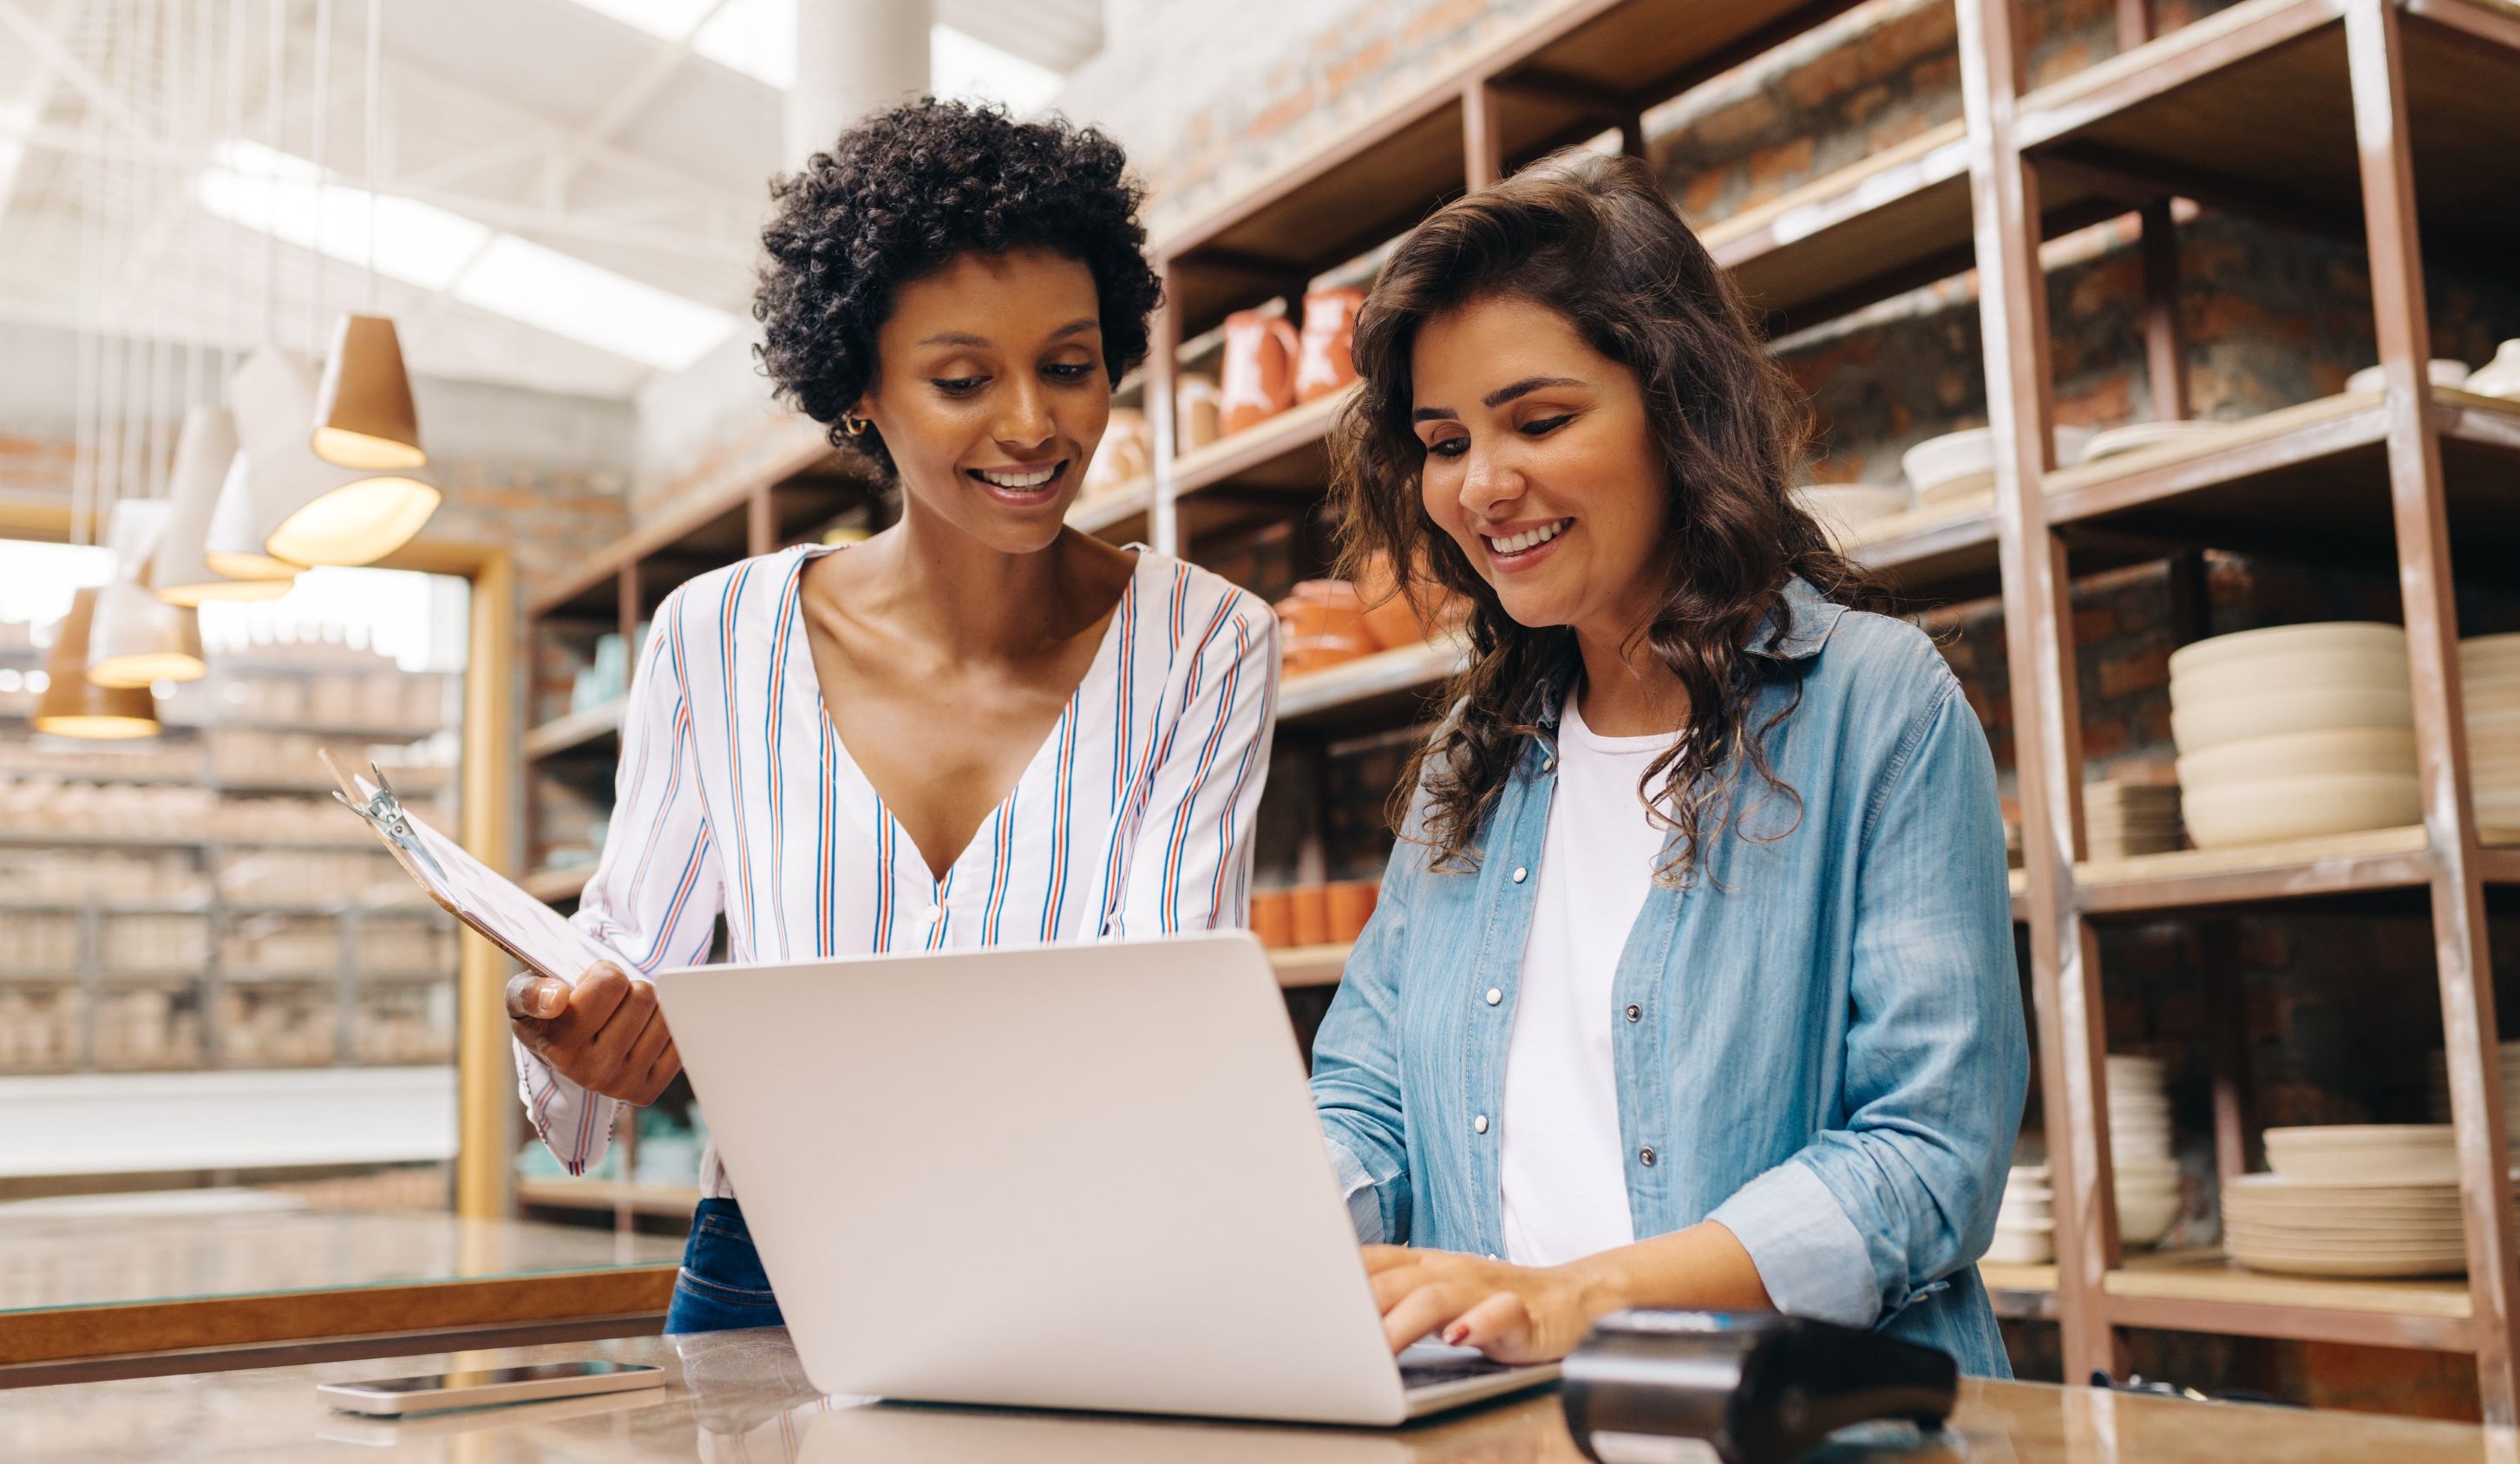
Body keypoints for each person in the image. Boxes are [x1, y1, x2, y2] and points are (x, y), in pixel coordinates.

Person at [503, 100, 1279, 1336]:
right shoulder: (716, 639)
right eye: (964, 379)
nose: (1033, 423)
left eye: (1070, 366)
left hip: (1084, 1258)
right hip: (769, 1262)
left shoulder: (1206, 644)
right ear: (860, 388)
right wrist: (569, 1027)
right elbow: (623, 958)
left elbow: (1169, 1015)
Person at [1310, 154, 2026, 1375]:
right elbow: (1369, 1103)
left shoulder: (1876, 705)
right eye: (1443, 440)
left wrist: (1578, 1300)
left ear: (1678, 411)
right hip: (1516, 1422)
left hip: (1793, 1425)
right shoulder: (1465, 766)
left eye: (1540, 420)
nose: (1483, 485)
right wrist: (1247, 1233)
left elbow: (1925, 1157)